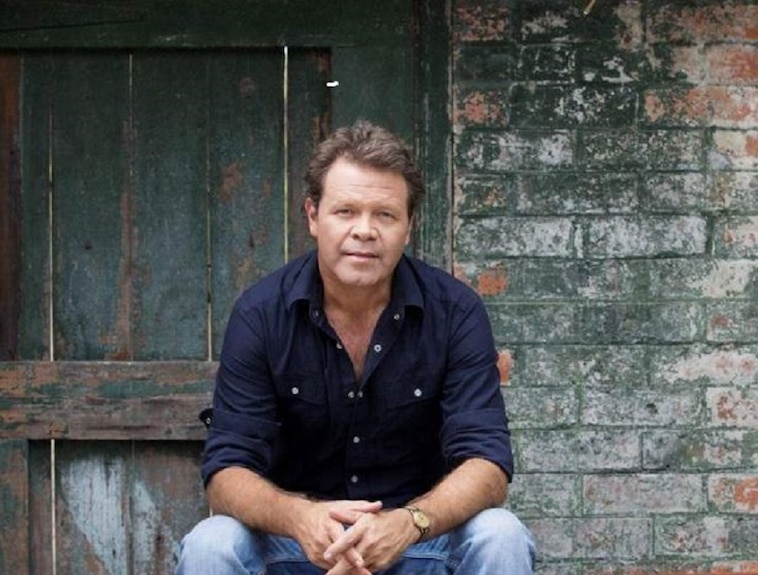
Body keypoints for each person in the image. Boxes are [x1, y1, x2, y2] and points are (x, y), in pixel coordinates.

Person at [175, 121, 535, 575]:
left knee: (500, 534)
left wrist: (409, 522)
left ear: (408, 225)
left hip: (415, 542)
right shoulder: (261, 314)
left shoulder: (455, 311)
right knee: (212, 543)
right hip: (298, 545)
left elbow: (487, 462)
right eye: (345, 211)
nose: (364, 230)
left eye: (384, 215)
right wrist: (301, 518)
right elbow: (226, 473)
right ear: (312, 216)